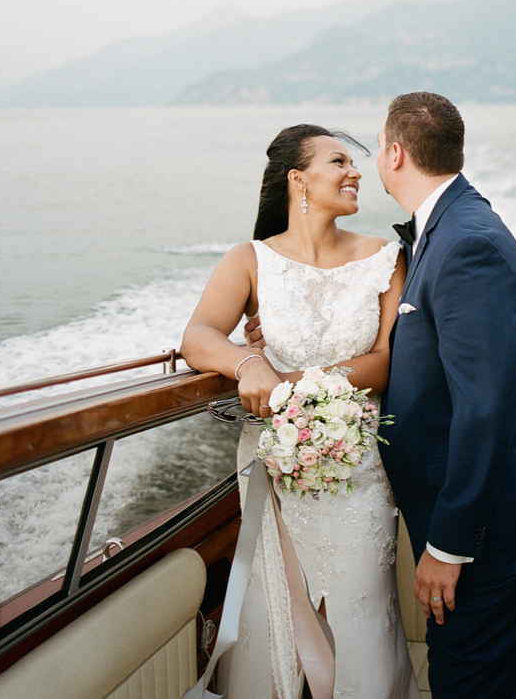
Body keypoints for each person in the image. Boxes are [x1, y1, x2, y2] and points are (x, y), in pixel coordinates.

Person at [180, 123, 420, 699]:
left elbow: (388, 360)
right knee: (275, 605)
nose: (355, 171)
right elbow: (198, 335)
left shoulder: (386, 258)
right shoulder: (249, 260)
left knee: (362, 603)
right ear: (298, 179)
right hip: (274, 461)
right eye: (338, 161)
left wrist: (291, 380)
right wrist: (247, 365)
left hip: (358, 464)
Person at [376, 92, 516, 699]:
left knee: (469, 685)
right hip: (475, 523)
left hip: (483, 534)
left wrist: (448, 544)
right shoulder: (445, 229)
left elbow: (486, 406)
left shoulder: (469, 244)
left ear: (395, 153)